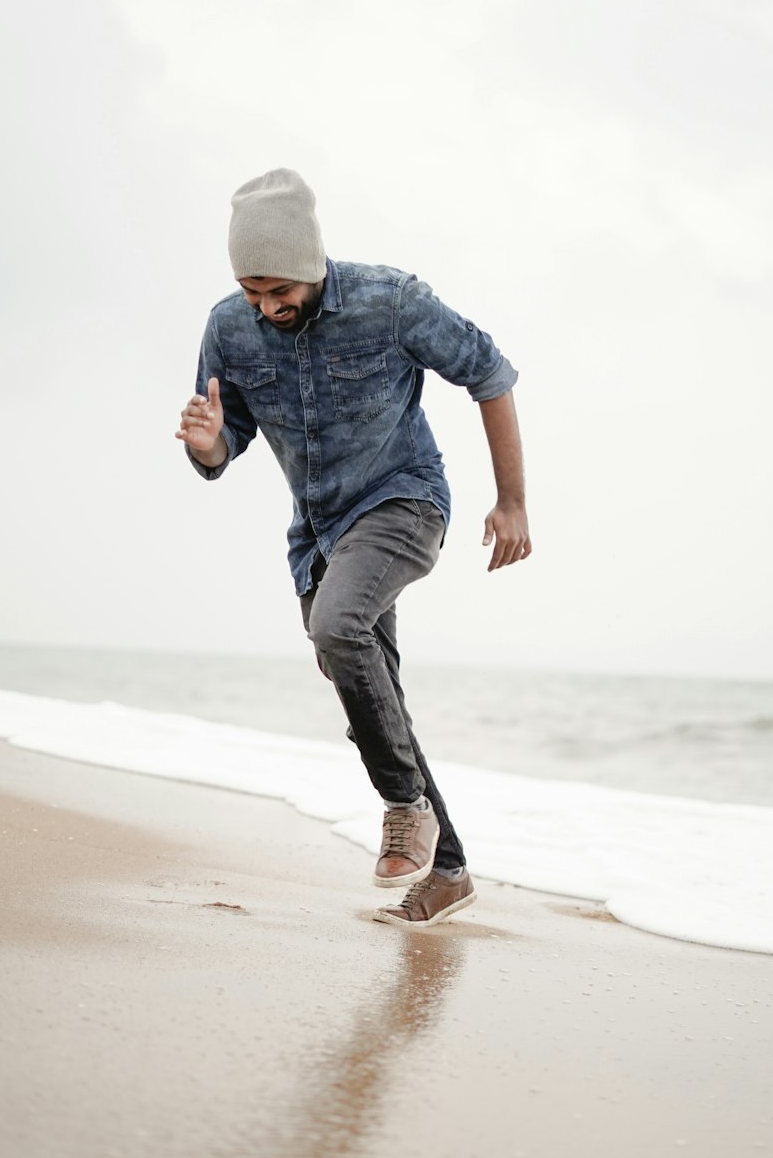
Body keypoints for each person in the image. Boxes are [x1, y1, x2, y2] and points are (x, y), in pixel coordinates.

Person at [176, 169, 531, 927]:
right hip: (318, 532)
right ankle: (452, 868)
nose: (266, 308)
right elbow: (224, 433)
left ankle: (404, 809)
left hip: (404, 500)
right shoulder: (227, 327)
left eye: (278, 291)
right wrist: (209, 447)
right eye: (251, 292)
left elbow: (490, 374)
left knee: (336, 629)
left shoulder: (389, 301)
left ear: (310, 265)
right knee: (371, 691)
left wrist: (511, 501)